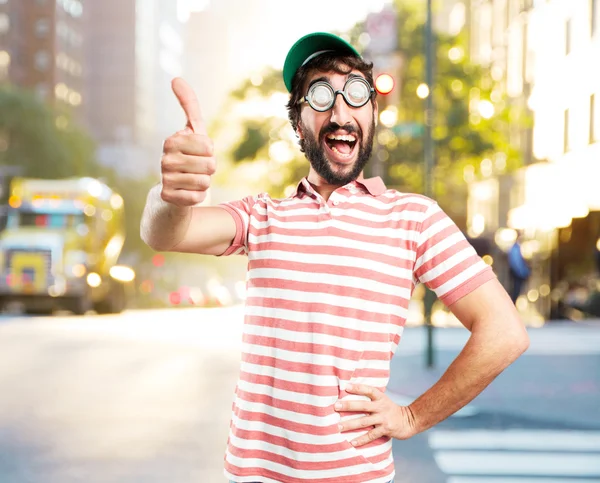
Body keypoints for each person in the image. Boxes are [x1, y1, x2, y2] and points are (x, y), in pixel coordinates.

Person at [141, 32, 529, 483]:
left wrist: (412, 418)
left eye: (356, 93)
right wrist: (170, 195)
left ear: (373, 113)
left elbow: (504, 333)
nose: (340, 112)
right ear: (299, 121)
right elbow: (166, 232)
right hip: (253, 475)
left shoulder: (413, 219)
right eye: (321, 95)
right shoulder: (263, 217)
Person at [507, 233, 531, 304]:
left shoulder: (516, 248)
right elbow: (516, 263)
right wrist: (524, 273)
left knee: (516, 291)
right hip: (517, 274)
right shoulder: (515, 249)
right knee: (516, 291)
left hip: (518, 273)